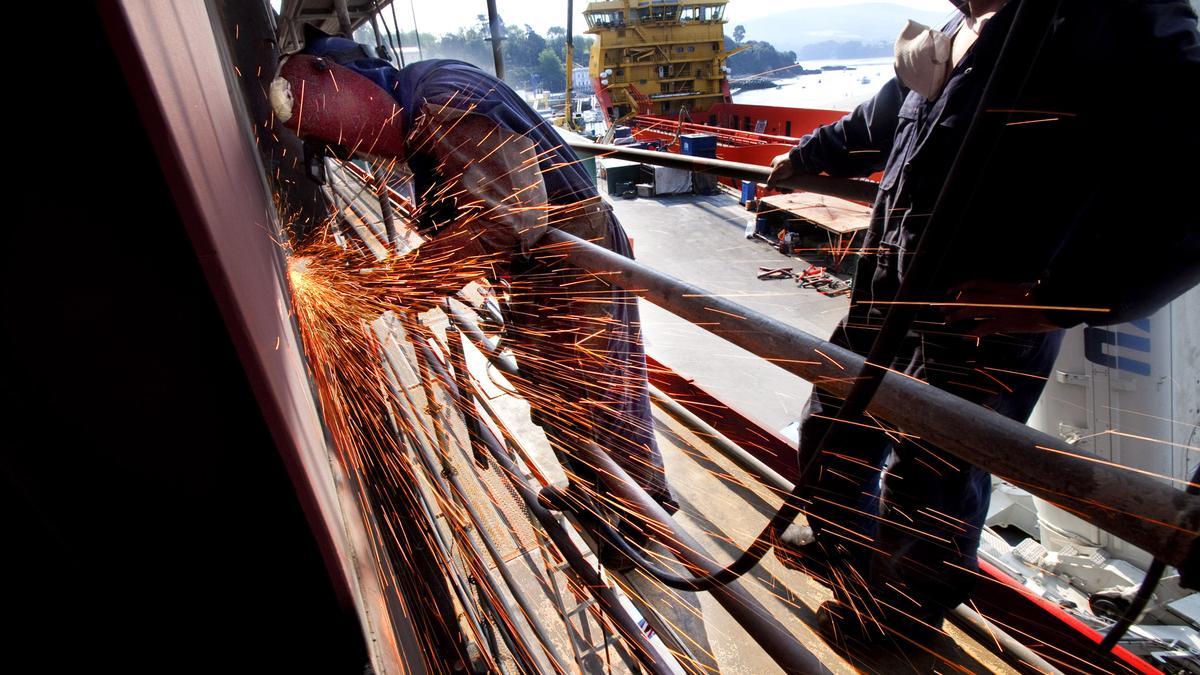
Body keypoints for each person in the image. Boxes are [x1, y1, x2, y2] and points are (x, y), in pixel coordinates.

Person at [766, 0, 1199, 644]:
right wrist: (803, 158)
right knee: (836, 415)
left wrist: (1064, 299)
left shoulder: (1122, 17)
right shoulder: (961, 30)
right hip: (891, 289)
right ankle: (840, 545)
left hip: (987, 313)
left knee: (938, 462)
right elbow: (887, 117)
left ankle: (904, 611)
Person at [270, 32, 678, 552]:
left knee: (599, 391)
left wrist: (386, 288)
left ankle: (643, 517)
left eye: (346, 141)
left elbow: (507, 221)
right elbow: (473, 214)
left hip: (578, 258)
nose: (358, 153)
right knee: (552, 391)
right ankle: (592, 492)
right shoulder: (421, 108)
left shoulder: (444, 101)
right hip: (540, 267)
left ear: (344, 90)